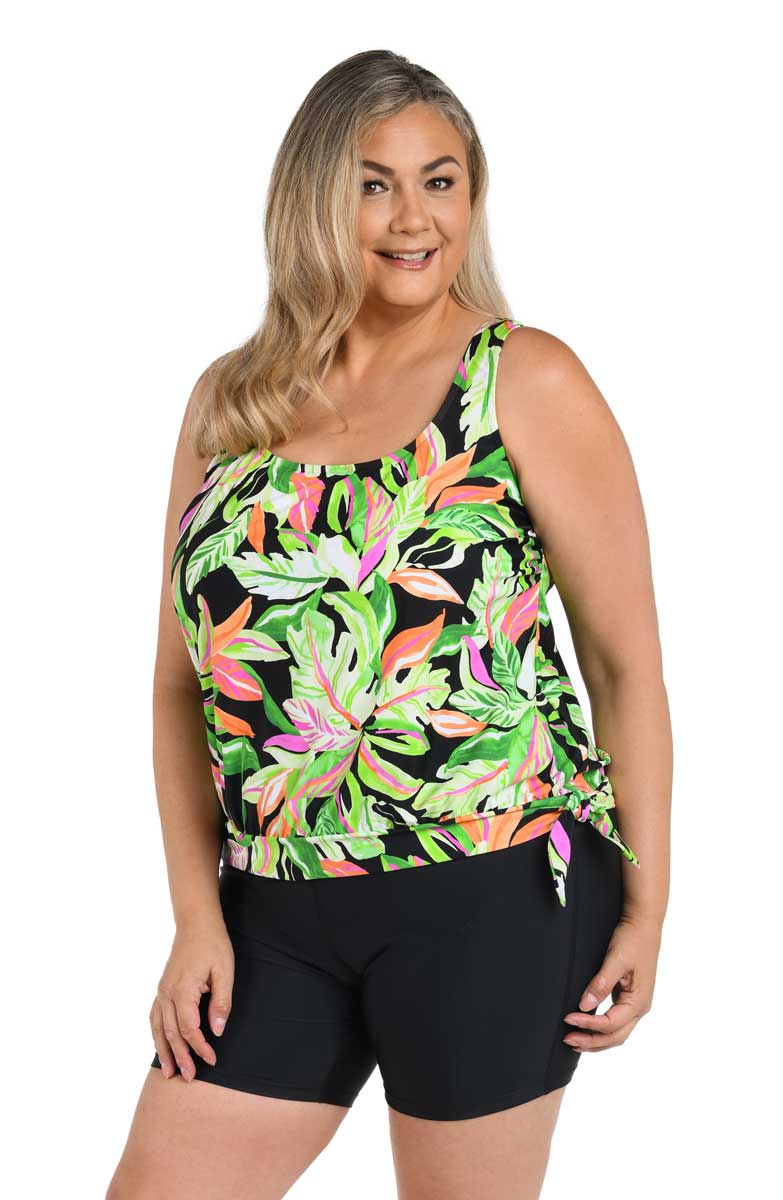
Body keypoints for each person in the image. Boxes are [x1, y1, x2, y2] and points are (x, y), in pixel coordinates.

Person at [107, 49, 670, 1200]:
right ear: (313, 201)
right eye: (375, 184)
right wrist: (195, 918)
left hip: (494, 892)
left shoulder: (524, 380)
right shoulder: (232, 403)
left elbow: (624, 665)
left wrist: (651, 905)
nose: (414, 218)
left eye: (440, 181)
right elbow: (177, 686)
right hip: (273, 906)